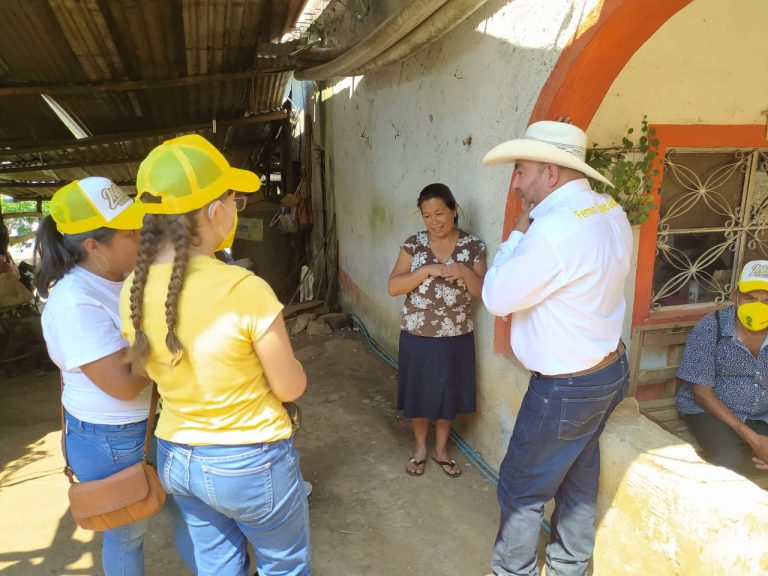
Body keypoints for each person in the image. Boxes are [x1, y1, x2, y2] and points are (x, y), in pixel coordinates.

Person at [121, 134, 310, 576]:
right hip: (249, 458)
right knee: (283, 565)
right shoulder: (243, 288)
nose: (235, 209)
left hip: (176, 457)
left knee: (218, 567)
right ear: (215, 211)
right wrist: (296, 367)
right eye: (234, 200)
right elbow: (289, 385)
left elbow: (150, 371)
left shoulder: (132, 288)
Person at [481, 120, 632, 576]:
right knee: (578, 478)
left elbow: (496, 298)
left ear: (550, 173)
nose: (516, 182)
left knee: (521, 489)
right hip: (607, 371)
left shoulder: (552, 231)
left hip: (566, 387)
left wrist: (515, 237)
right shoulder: (608, 210)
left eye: (521, 170)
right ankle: (570, 567)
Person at [35, 177, 153, 575]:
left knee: (176, 511)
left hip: (142, 424)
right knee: (126, 534)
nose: (142, 238)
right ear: (94, 246)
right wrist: (163, 331)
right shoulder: (74, 301)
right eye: (132, 232)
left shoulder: (118, 279)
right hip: (112, 438)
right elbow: (124, 384)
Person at [387, 183, 486, 478]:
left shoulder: (472, 246)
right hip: (417, 334)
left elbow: (484, 292)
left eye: (440, 213)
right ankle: (420, 448)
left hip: (456, 335)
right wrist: (425, 271)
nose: (434, 221)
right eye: (427, 215)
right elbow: (393, 286)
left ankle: (441, 449)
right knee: (419, 393)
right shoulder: (413, 245)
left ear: (454, 211)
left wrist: (465, 272)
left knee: (447, 393)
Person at [676, 260, 768, 476]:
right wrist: (753, 439)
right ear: (735, 296)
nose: (758, 307)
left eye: (766, 301)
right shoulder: (712, 326)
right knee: (728, 461)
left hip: (761, 414)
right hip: (711, 412)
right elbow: (702, 394)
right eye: (750, 298)